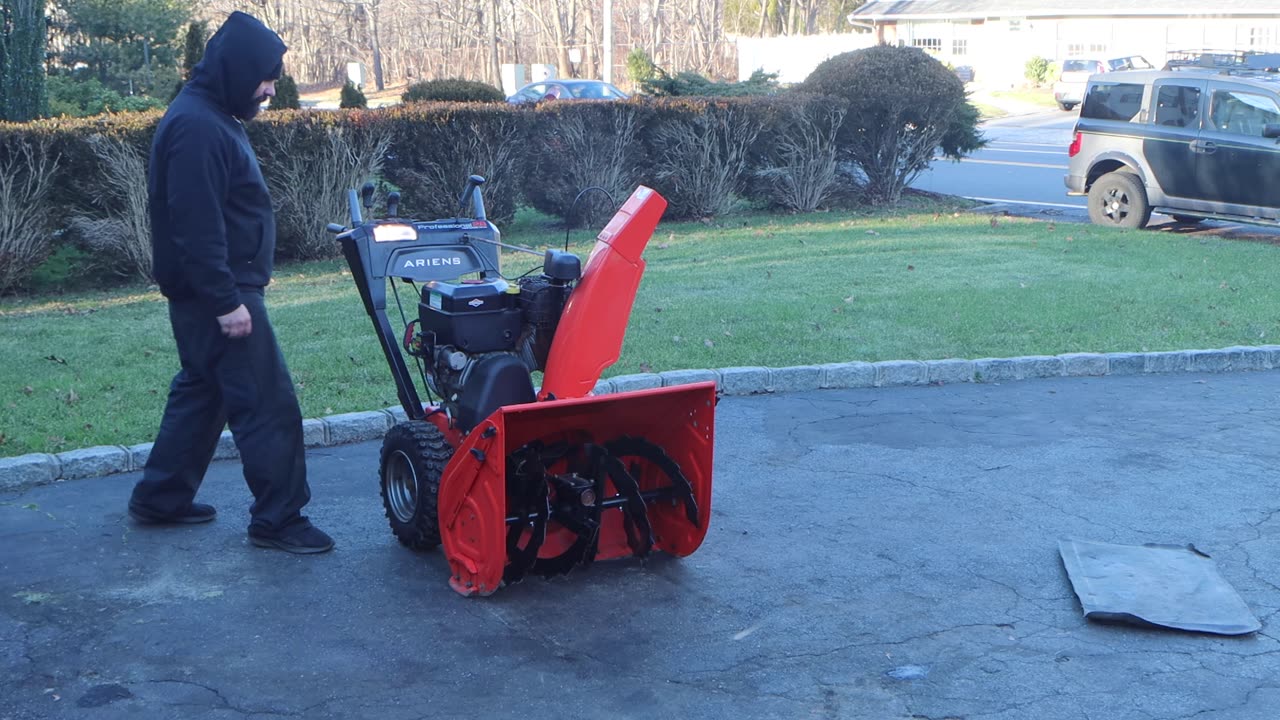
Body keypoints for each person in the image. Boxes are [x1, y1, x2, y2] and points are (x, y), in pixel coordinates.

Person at [127, 11, 333, 554]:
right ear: (237, 71)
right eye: (264, 77)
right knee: (267, 403)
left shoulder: (207, 115)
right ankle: (279, 521)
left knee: (204, 389)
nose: (270, 88)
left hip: (208, 291)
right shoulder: (197, 125)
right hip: (220, 292)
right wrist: (226, 300)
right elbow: (196, 222)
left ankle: (162, 497)